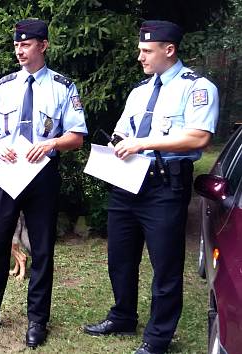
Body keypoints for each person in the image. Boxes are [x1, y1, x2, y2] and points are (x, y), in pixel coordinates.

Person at [83, 20, 219, 354]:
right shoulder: (139, 91)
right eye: (140, 50)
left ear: (168, 50)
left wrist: (141, 143)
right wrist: (116, 143)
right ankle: (123, 315)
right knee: (121, 258)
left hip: (164, 186)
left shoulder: (197, 88)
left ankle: (158, 337)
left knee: (166, 264)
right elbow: (121, 131)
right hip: (127, 181)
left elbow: (198, 136)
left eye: (146, 51)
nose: (140, 57)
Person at [0, 19, 87, 349]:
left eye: (27, 44)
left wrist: (50, 144)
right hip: (5, 173)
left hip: (41, 175)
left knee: (42, 248)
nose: (20, 50)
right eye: (17, 45)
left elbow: (76, 136)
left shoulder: (63, 87)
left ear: (43, 46)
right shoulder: (3, 86)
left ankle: (37, 319)